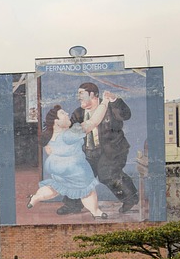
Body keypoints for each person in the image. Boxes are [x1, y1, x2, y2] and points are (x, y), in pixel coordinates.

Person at [26, 104, 108, 219]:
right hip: (74, 168)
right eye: (63, 114)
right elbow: (94, 121)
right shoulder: (69, 134)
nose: (67, 114)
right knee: (87, 189)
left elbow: (49, 150)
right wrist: (105, 103)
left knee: (56, 187)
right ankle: (96, 212)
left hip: (55, 167)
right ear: (57, 122)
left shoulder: (50, 137)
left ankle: (36, 197)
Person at [71, 82, 140, 214]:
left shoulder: (110, 107)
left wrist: (115, 100)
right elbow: (71, 131)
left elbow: (126, 115)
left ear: (93, 95)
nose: (78, 97)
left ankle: (131, 198)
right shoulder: (78, 113)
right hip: (89, 151)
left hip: (113, 149)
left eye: (81, 94)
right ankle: (72, 204)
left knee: (107, 173)